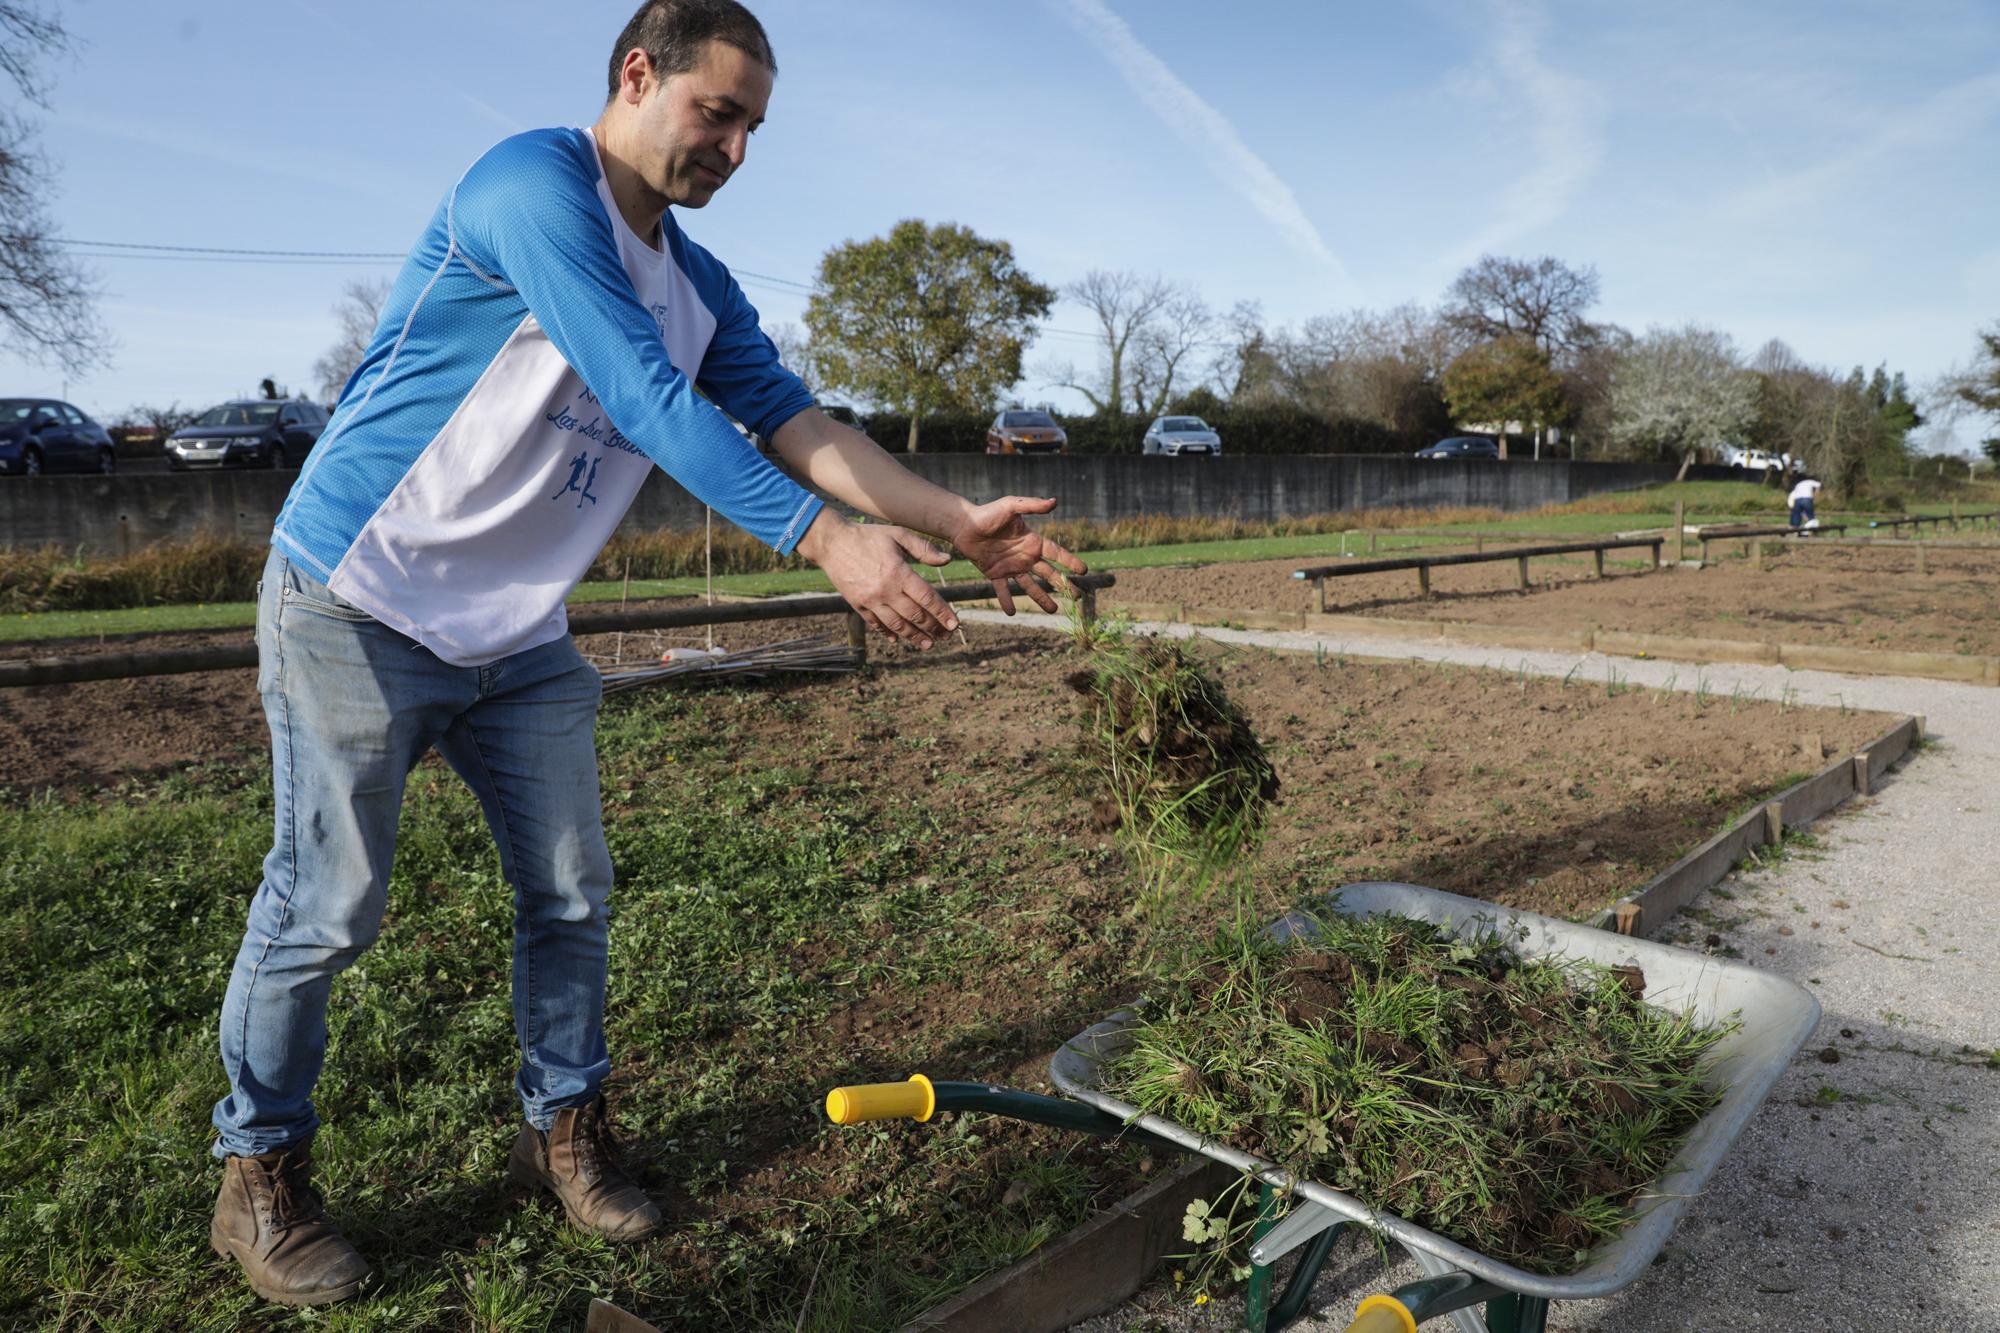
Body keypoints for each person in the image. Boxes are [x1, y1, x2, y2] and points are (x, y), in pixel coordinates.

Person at [206, 0, 1085, 1306]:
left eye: (753, 127)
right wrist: (825, 541)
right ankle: (258, 1169)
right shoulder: (530, 186)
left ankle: (562, 1128)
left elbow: (788, 416)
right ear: (637, 74)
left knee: (571, 892)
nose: (734, 145)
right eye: (716, 110)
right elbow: (639, 393)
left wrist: (953, 518)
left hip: (516, 636)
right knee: (328, 904)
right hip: (358, 598)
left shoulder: (702, 286)